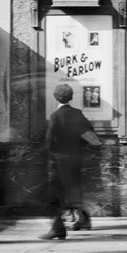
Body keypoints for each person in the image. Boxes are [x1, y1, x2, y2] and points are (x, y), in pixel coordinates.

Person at [43, 83, 100, 240]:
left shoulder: (56, 116)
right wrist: (78, 147)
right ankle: (84, 219)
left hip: (59, 160)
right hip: (76, 159)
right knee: (74, 189)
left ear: (55, 97)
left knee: (56, 193)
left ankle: (57, 228)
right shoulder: (77, 113)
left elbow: (49, 140)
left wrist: (52, 152)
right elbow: (90, 135)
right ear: (71, 97)